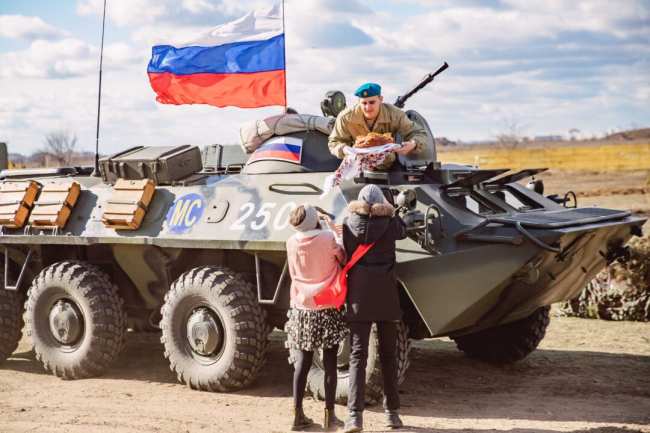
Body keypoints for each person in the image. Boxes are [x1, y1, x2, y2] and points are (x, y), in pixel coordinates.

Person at [342, 184, 407, 432]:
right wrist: (391, 209)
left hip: (358, 298)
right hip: (386, 297)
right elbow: (403, 231)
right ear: (382, 202)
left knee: (358, 356)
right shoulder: (391, 224)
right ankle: (392, 415)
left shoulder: (348, 223)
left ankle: (354, 417)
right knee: (389, 356)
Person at [285, 203, 349, 431]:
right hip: (328, 307)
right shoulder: (327, 239)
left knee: (303, 361)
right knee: (330, 362)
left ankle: (297, 414)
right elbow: (343, 258)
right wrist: (334, 232)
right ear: (314, 220)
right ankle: (330, 416)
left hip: (302, 309)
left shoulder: (290, 242)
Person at [328, 83, 429, 170]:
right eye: (364, 103)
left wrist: (413, 144)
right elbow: (334, 142)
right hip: (358, 168)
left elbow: (419, 134)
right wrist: (345, 149)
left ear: (380, 99)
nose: (368, 107)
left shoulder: (395, 114)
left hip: (391, 167)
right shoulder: (346, 117)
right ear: (359, 101)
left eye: (372, 102)